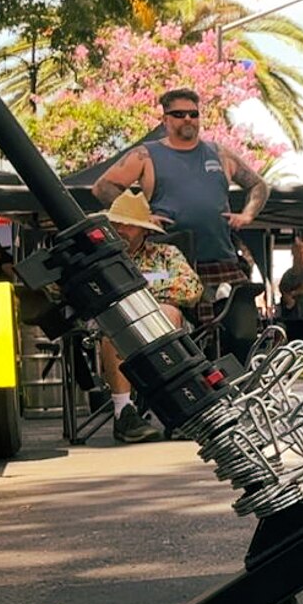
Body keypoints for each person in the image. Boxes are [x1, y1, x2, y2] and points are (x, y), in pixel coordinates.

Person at [91, 88, 271, 337]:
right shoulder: (146, 155)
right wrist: (140, 217)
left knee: (239, 337)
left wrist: (247, 215)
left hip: (220, 260)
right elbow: (103, 187)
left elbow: (258, 185)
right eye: (179, 114)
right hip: (169, 264)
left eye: (193, 114)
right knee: (176, 338)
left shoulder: (219, 153)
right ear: (165, 119)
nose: (187, 119)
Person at [98, 190, 204, 443]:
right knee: (115, 324)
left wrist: (138, 293)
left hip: (160, 324)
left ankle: (178, 409)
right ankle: (124, 413)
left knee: (168, 312)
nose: (120, 230)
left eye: (128, 225)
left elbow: (191, 288)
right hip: (115, 327)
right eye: (116, 224)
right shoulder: (99, 257)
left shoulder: (167, 254)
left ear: (144, 230)